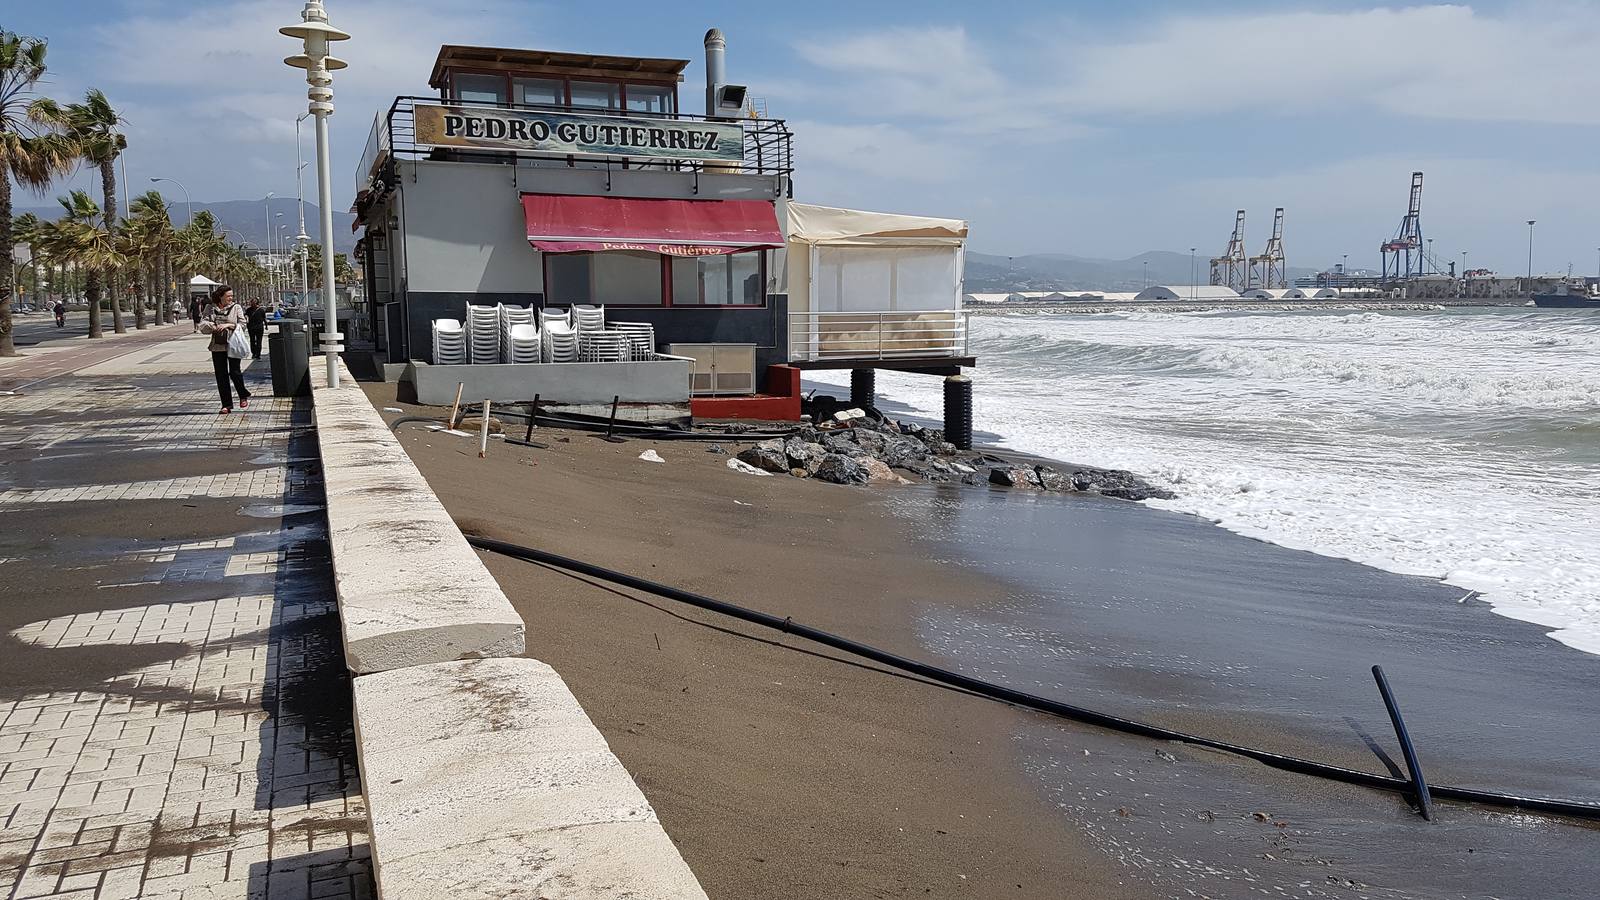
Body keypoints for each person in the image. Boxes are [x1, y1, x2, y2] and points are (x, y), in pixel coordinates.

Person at [199, 285, 251, 414]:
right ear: (221, 296)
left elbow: (243, 324)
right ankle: (226, 405)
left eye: (231, 296)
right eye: (228, 296)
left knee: (235, 372)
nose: (230, 298)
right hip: (217, 346)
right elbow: (203, 324)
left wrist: (229, 325)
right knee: (221, 375)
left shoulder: (236, 307)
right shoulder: (210, 308)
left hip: (233, 344)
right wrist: (213, 325)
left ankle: (242, 395)